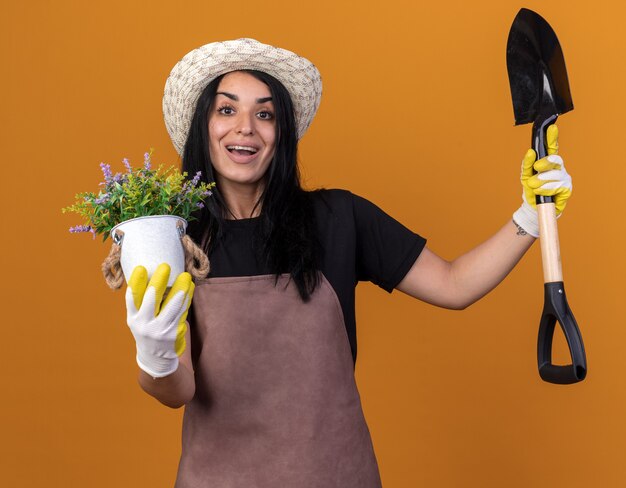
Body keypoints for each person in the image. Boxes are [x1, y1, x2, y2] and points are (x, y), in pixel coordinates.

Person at [124, 38, 573, 487]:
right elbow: (177, 391)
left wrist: (529, 217)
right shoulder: (176, 239)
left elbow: (455, 285)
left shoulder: (338, 218)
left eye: (265, 114)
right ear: (202, 126)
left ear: (283, 132)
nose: (245, 128)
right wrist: (155, 355)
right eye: (226, 110)